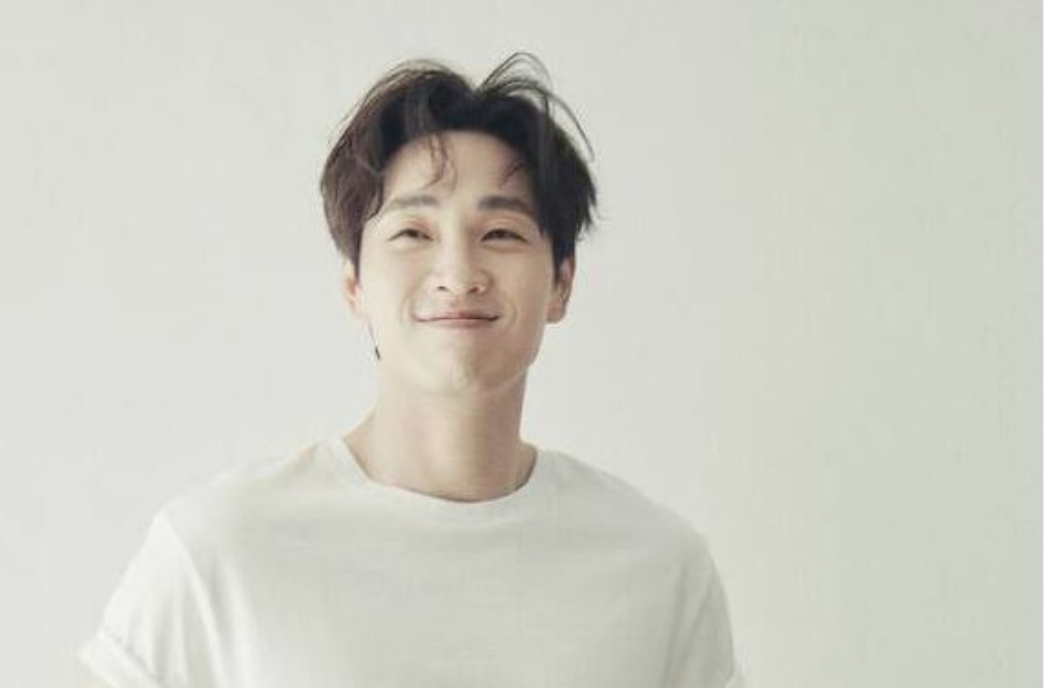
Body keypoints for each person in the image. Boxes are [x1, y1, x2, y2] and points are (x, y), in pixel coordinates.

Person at [78, 52, 745, 688]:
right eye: (413, 234)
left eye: (501, 234)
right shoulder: (219, 552)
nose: (458, 273)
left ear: (561, 283)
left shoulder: (658, 567)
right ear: (355, 286)